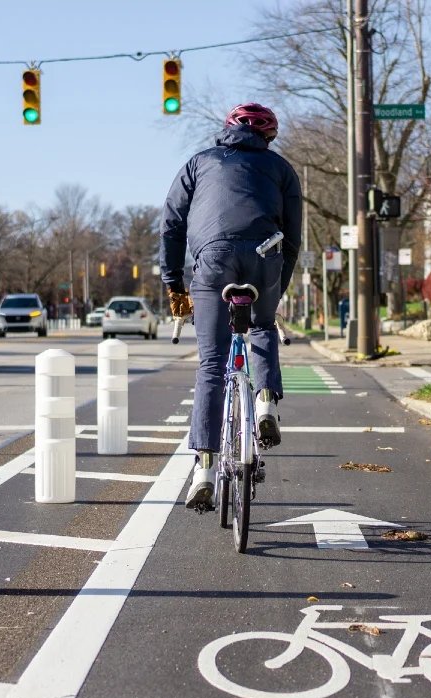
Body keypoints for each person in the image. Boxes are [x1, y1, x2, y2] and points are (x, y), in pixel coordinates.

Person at [159, 103, 302, 511]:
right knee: (260, 327)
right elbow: (292, 239)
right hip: (265, 256)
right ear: (268, 137)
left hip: (213, 260)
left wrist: (174, 284)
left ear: (227, 131)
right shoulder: (281, 169)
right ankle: (264, 404)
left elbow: (171, 223)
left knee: (211, 363)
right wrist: (277, 288)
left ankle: (203, 469)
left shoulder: (199, 163)